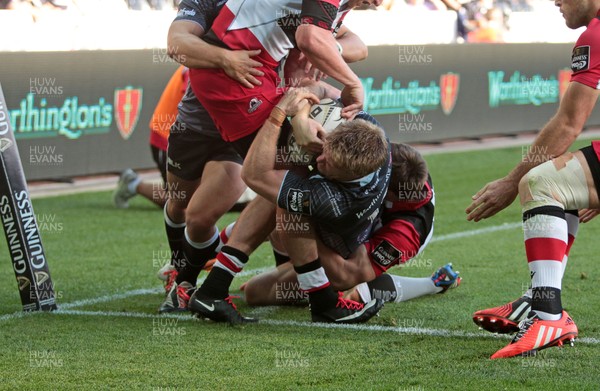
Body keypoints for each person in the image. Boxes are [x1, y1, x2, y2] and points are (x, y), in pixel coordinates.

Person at [464, 0, 600, 359]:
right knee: (562, 187)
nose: (555, 2)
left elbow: (569, 124)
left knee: (540, 182)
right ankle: (539, 299)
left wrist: (511, 182)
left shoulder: (596, 35)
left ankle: (547, 315)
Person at [188, 87, 390, 324]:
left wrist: (280, 113)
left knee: (286, 191)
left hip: (334, 249)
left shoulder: (336, 200)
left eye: (328, 163)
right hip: (323, 226)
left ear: (344, 177)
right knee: (290, 178)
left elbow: (254, 176)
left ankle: (322, 300)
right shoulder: (362, 123)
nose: (320, 158)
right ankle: (212, 290)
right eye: (325, 151)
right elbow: (316, 87)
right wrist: (302, 117)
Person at [242, 143, 462, 307]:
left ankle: (432, 284)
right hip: (353, 221)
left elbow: (346, 273)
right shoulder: (387, 156)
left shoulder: (406, 232)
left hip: (360, 251)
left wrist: (302, 229)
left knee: (258, 292)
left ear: (391, 195)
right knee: (288, 194)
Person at [114, 65, 188, 210]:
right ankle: (134, 184)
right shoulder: (197, 66)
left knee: (197, 200)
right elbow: (194, 104)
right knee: (180, 203)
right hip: (168, 139)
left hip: (185, 139)